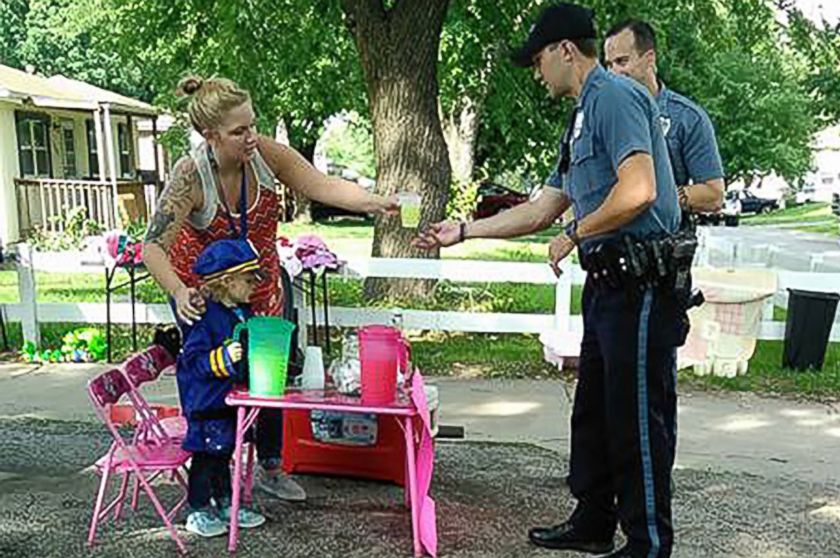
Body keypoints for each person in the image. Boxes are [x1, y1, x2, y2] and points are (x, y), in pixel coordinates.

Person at [413, 4, 691, 557]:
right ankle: (593, 519)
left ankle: (648, 541)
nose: (537, 73)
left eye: (539, 59)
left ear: (566, 50)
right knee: (594, 410)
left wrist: (577, 233)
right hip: (609, 285)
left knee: (636, 416)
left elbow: (640, 191)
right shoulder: (583, 115)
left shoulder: (614, 97)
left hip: (641, 284)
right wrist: (465, 230)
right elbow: (542, 207)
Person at [143, 75, 399, 502]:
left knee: (270, 374)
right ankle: (212, 475)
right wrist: (178, 291)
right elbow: (153, 247)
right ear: (210, 135)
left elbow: (321, 184)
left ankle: (271, 466)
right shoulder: (190, 175)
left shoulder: (265, 155)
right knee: (213, 378)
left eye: (253, 125)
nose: (251, 137)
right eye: (239, 130)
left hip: (260, 287)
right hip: (202, 298)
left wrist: (374, 201)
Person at [176, 238, 266, 538]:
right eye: (249, 278)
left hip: (228, 398)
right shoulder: (203, 317)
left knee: (224, 451)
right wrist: (222, 358)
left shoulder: (241, 311)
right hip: (206, 402)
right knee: (205, 455)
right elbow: (193, 361)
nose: (255, 283)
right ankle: (198, 507)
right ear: (227, 282)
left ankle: (226, 501)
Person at [603, 19, 725, 215]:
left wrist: (652, 196)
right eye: (608, 65)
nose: (613, 73)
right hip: (605, 239)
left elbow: (714, 195)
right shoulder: (599, 116)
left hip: (662, 239)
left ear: (649, 58)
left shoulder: (688, 118)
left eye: (621, 61)